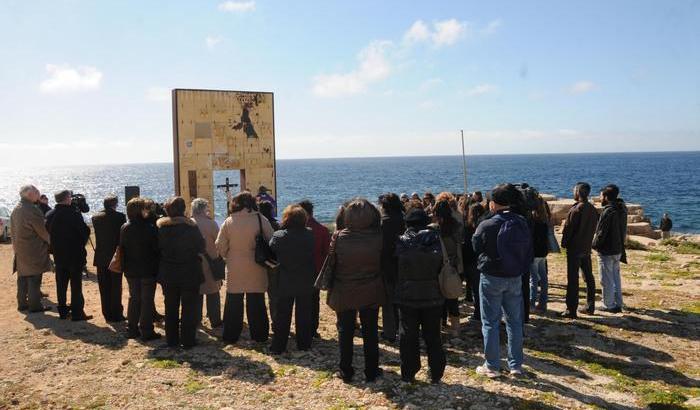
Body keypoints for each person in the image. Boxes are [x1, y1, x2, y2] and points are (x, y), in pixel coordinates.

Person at [472, 184, 532, 378]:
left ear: (492, 204)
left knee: (490, 321)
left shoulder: (487, 224)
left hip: (492, 276)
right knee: (515, 322)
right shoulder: (521, 221)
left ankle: (492, 366)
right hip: (515, 276)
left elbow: (476, 246)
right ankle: (516, 365)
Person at [327, 198, 385, 383]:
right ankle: (371, 371)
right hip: (371, 288)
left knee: (345, 331)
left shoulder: (339, 237)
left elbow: (332, 264)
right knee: (370, 332)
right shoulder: (378, 236)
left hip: (345, 289)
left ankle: (346, 370)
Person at [395, 208, 446, 383]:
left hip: (407, 295)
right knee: (433, 335)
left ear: (407, 224)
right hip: (433, 294)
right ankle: (436, 372)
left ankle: (409, 372)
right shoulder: (436, 240)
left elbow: (395, 269)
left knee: (408, 335)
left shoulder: (401, 242)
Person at [216, 191, 274, 344]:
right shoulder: (261, 219)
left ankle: (231, 335)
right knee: (257, 302)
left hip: (235, 266)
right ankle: (260, 335)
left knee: (233, 303)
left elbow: (220, 245)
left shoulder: (229, 221)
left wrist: (227, 255)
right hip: (257, 265)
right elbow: (272, 241)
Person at [157, 197, 205, 348]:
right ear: (184, 209)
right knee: (189, 308)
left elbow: (156, 248)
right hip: (190, 272)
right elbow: (201, 247)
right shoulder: (192, 227)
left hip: (169, 272)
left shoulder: (161, 228)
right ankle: (188, 340)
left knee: (170, 307)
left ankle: (171, 340)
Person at [268, 204, 315, 353]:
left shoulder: (279, 236)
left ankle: (279, 345)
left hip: (285, 278)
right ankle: (304, 343)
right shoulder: (309, 234)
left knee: (282, 314)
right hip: (305, 278)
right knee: (304, 314)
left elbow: (271, 249)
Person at [46, 190, 91, 321]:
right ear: (67, 199)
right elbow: (84, 231)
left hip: (59, 255)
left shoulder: (50, 214)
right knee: (76, 285)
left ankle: (62, 311)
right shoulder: (73, 214)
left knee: (61, 284)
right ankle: (77, 313)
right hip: (74, 255)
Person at [121, 198, 161, 340]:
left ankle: (132, 329)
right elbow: (156, 248)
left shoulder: (125, 227)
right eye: (145, 208)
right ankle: (146, 330)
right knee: (147, 299)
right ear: (140, 211)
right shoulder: (150, 228)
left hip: (130, 269)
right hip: (147, 269)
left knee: (134, 298)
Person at [561, 182, 599, 318]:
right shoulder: (593, 209)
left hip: (575, 249)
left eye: (574, 190)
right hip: (586, 248)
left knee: (573, 279)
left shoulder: (576, 209)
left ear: (578, 192)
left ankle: (571, 309)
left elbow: (568, 230)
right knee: (589, 277)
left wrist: (564, 244)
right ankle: (590, 306)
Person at [11, 185, 52, 313]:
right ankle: (35, 306)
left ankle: (22, 303)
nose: (38, 193)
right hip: (33, 249)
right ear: (29, 195)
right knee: (34, 277)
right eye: (36, 192)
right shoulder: (31, 210)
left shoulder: (17, 208)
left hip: (20, 248)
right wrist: (52, 242)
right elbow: (42, 231)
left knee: (22, 276)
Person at [592, 185, 627, 314]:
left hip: (607, 249)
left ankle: (609, 304)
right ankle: (618, 302)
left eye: (601, 196)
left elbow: (601, 232)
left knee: (605, 278)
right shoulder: (621, 208)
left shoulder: (608, 211)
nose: (600, 198)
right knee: (615, 277)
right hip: (618, 248)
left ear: (606, 197)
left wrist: (594, 245)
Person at [432, 196, 464, 336]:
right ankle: (456, 328)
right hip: (453, 265)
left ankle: (439, 326)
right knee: (452, 297)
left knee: (438, 298)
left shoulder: (434, 229)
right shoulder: (457, 225)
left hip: (437, 265)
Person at [91, 195, 127, 322]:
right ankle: (117, 313)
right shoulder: (120, 217)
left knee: (104, 286)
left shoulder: (95, 217)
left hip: (101, 255)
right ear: (115, 204)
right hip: (115, 255)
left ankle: (106, 312)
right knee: (116, 286)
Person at [298, 199, 330, 338]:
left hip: (298, 270)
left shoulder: (296, 229)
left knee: (300, 301)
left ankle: (301, 328)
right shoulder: (322, 230)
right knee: (314, 300)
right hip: (316, 269)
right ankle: (313, 329)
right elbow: (327, 252)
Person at [191, 198, 223, 328]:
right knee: (213, 292)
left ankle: (196, 319)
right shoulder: (212, 224)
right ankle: (215, 320)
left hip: (194, 263)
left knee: (196, 293)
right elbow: (219, 242)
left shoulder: (189, 223)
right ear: (204, 209)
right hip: (210, 262)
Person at [379, 193, 405, 343]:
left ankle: (389, 332)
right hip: (403, 263)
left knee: (388, 302)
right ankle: (403, 330)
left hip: (387, 264)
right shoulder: (403, 219)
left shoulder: (383, 223)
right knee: (402, 300)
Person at [464, 202, 486, 322]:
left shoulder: (468, 227)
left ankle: (478, 313)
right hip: (482, 260)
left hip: (471, 261)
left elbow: (467, 245)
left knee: (476, 290)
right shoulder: (484, 225)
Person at [529, 197, 551, 313]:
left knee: (533, 279)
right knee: (543, 279)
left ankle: (532, 303)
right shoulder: (545, 219)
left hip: (534, 253)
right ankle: (543, 303)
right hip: (543, 252)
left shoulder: (533, 221)